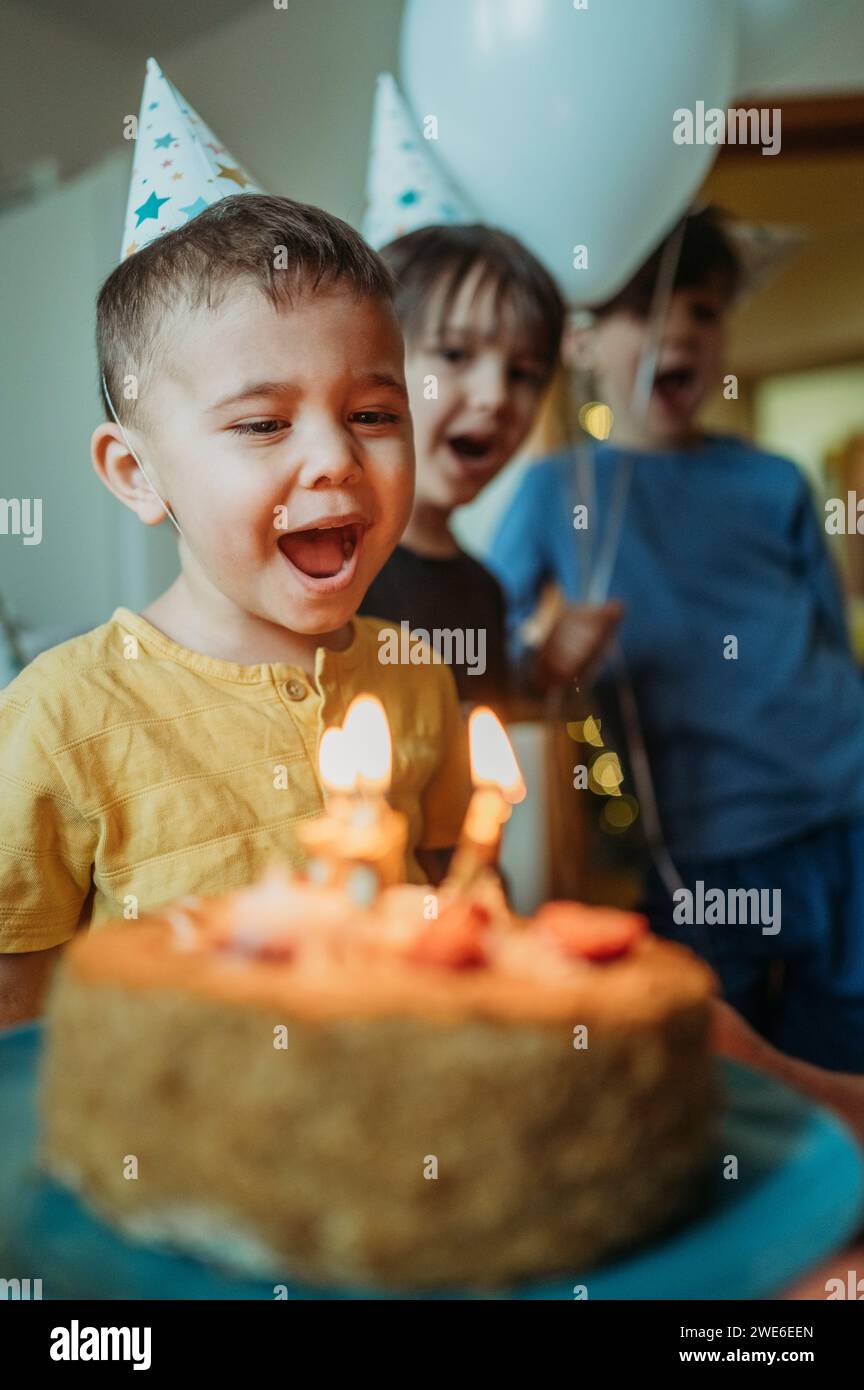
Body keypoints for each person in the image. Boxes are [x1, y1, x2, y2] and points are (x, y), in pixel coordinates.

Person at [0, 194, 471, 1026]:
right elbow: (16, 1014)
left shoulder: (414, 671)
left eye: (373, 414)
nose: (335, 457)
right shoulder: (59, 716)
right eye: (262, 424)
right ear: (137, 472)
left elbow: (451, 902)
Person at [489, 207, 864, 1072]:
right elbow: (488, 648)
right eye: (646, 310)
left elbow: (832, 641)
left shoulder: (774, 481)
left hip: (844, 811)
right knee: (710, 1068)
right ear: (581, 345)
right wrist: (544, 662)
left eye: (703, 311)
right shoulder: (556, 491)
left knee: (847, 1046)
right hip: (699, 845)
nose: (681, 331)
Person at [360, 224, 620, 706]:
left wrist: (539, 676)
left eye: (523, 374)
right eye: (455, 354)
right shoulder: (332, 570)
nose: (496, 396)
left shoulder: (484, 593)